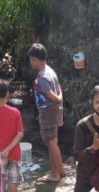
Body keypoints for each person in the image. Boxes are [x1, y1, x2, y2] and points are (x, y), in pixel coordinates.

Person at [28, 43, 64, 183]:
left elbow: (52, 96)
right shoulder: (50, 71)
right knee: (53, 141)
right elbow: (59, 89)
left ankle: (55, 173)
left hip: (48, 111)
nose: (30, 62)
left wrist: (59, 98)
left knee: (51, 142)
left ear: (35, 59)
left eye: (31, 59)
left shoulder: (42, 77)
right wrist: (60, 106)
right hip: (54, 110)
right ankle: (59, 169)